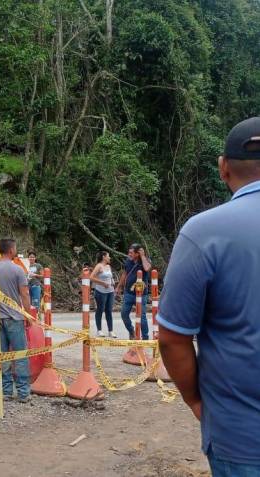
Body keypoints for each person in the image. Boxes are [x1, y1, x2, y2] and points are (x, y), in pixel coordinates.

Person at [158, 117, 260, 475]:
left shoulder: (203, 233)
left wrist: (195, 400)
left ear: (223, 167)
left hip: (240, 438)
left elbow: (172, 338)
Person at [0, 238, 33, 402]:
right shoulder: (17, 270)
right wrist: (27, 314)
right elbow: (24, 294)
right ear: (11, 250)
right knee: (20, 355)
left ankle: (6, 392)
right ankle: (23, 392)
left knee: (2, 356)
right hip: (14, 318)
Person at [116, 244, 151, 340]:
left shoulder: (145, 260)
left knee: (142, 316)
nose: (129, 254)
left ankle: (145, 338)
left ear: (137, 253)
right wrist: (119, 287)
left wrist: (142, 256)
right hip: (129, 293)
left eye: (131, 253)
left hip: (141, 294)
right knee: (124, 314)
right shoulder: (128, 261)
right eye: (129, 252)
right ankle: (132, 332)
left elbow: (147, 268)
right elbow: (124, 274)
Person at [90, 251, 116, 338]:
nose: (109, 257)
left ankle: (110, 331)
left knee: (109, 310)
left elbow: (110, 277)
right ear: (104, 257)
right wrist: (102, 283)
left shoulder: (108, 266)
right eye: (108, 256)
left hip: (110, 291)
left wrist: (113, 282)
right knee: (100, 310)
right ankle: (99, 330)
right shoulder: (99, 266)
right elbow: (91, 277)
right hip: (100, 292)